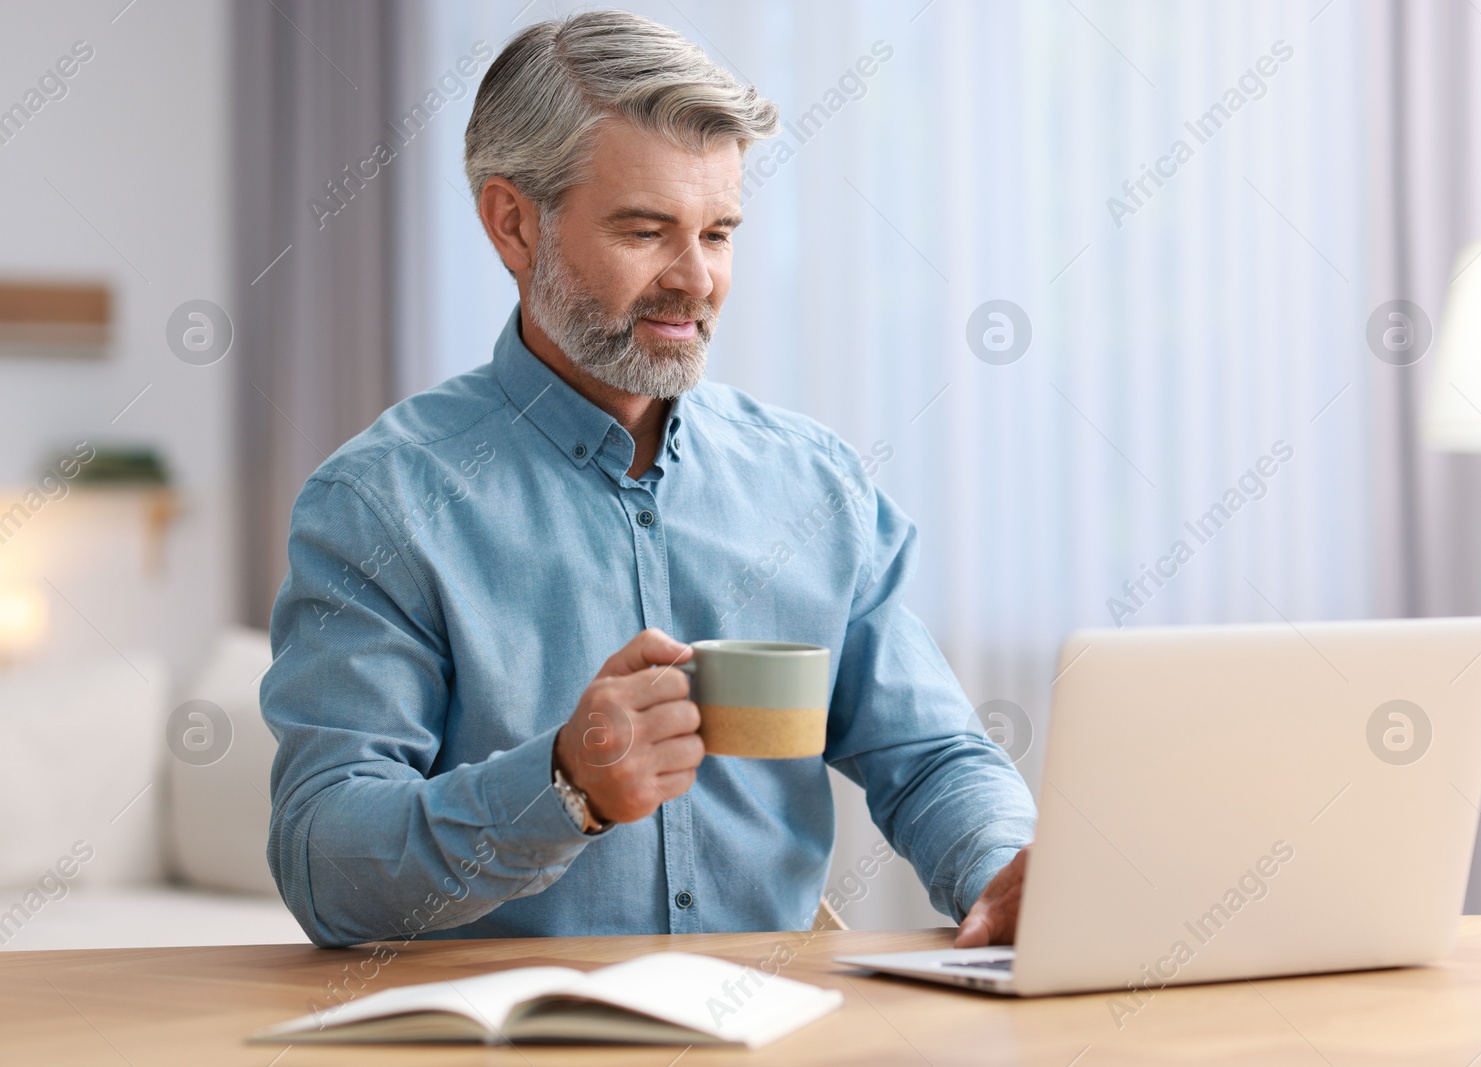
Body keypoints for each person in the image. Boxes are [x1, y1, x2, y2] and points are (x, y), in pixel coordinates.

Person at [262, 8, 1034, 950]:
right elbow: (323, 857)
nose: (696, 280)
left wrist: (1006, 869)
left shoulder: (815, 484)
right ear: (514, 224)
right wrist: (561, 788)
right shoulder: (381, 504)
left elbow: (930, 756)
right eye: (645, 231)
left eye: (719, 233)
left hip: (773, 1029)